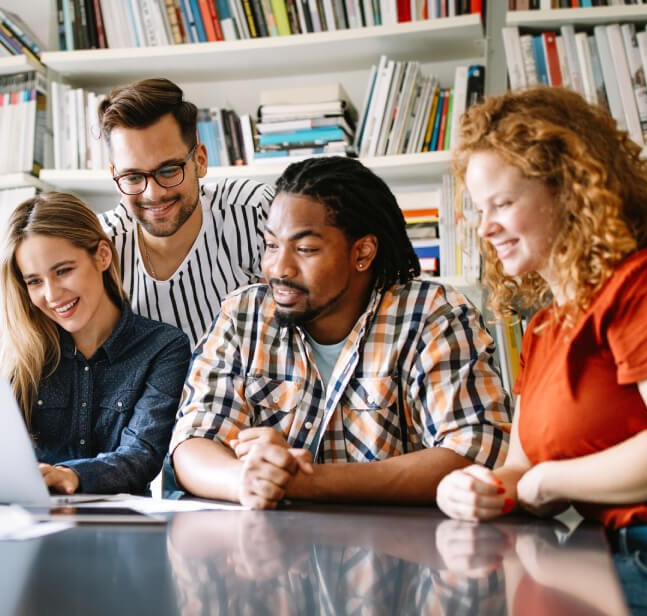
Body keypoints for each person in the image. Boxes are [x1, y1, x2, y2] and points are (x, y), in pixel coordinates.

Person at [435, 87, 647, 614]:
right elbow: (522, 468)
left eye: (503, 203)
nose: (485, 228)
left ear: (571, 190)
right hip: (602, 555)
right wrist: (470, 488)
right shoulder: (544, 329)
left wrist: (546, 482)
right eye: (479, 209)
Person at [169, 156, 512, 509]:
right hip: (270, 552)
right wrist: (244, 480)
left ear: (362, 252)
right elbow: (193, 442)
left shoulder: (431, 315)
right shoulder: (244, 315)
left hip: (404, 553)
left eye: (305, 249)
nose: (278, 268)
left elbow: (477, 449)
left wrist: (305, 480)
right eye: (271, 245)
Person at [0, 192, 190, 495]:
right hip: (29, 523)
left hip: (120, 531)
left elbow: (141, 455)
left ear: (102, 256)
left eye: (63, 271)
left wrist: (71, 476)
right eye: (34, 281)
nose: (52, 294)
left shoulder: (163, 347)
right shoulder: (21, 352)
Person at [97, 78, 274, 348]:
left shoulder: (253, 210)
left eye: (168, 170)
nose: (153, 194)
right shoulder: (99, 245)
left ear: (200, 161)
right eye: (133, 177)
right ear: (114, 175)